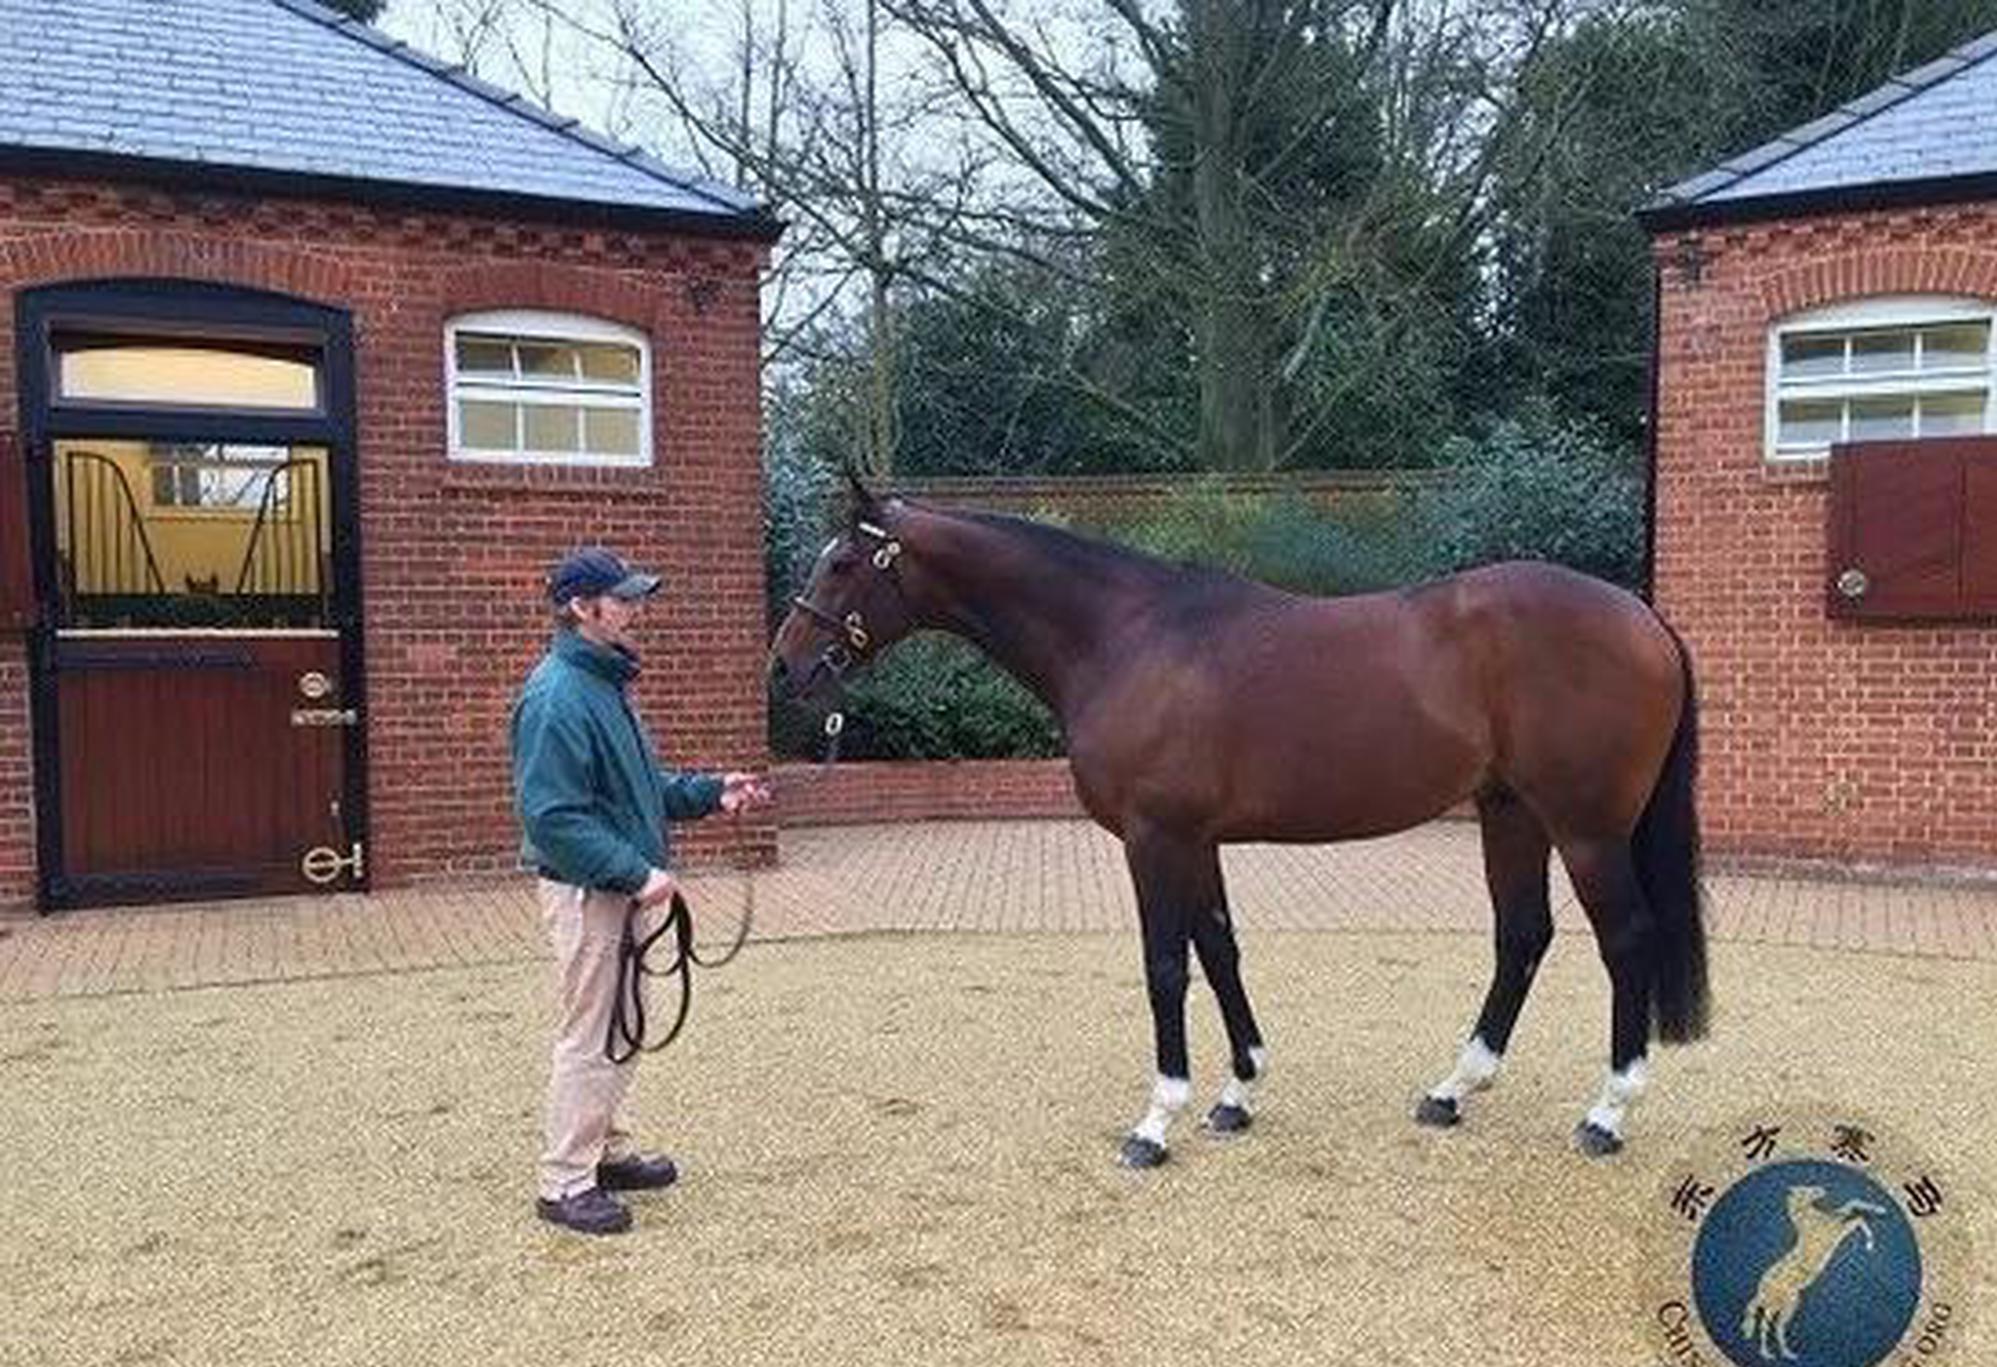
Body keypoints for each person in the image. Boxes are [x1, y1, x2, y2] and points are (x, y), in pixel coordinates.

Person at [510, 546, 771, 1236]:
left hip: (616, 889)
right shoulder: (557, 695)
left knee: (623, 1027)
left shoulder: (602, 686)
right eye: (623, 599)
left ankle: (606, 1150)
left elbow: (641, 792)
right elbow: (554, 818)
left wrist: (714, 792)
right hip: (589, 893)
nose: (635, 610)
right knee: (591, 1036)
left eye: (634, 597)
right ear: (581, 607)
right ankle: (564, 1182)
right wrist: (637, 872)